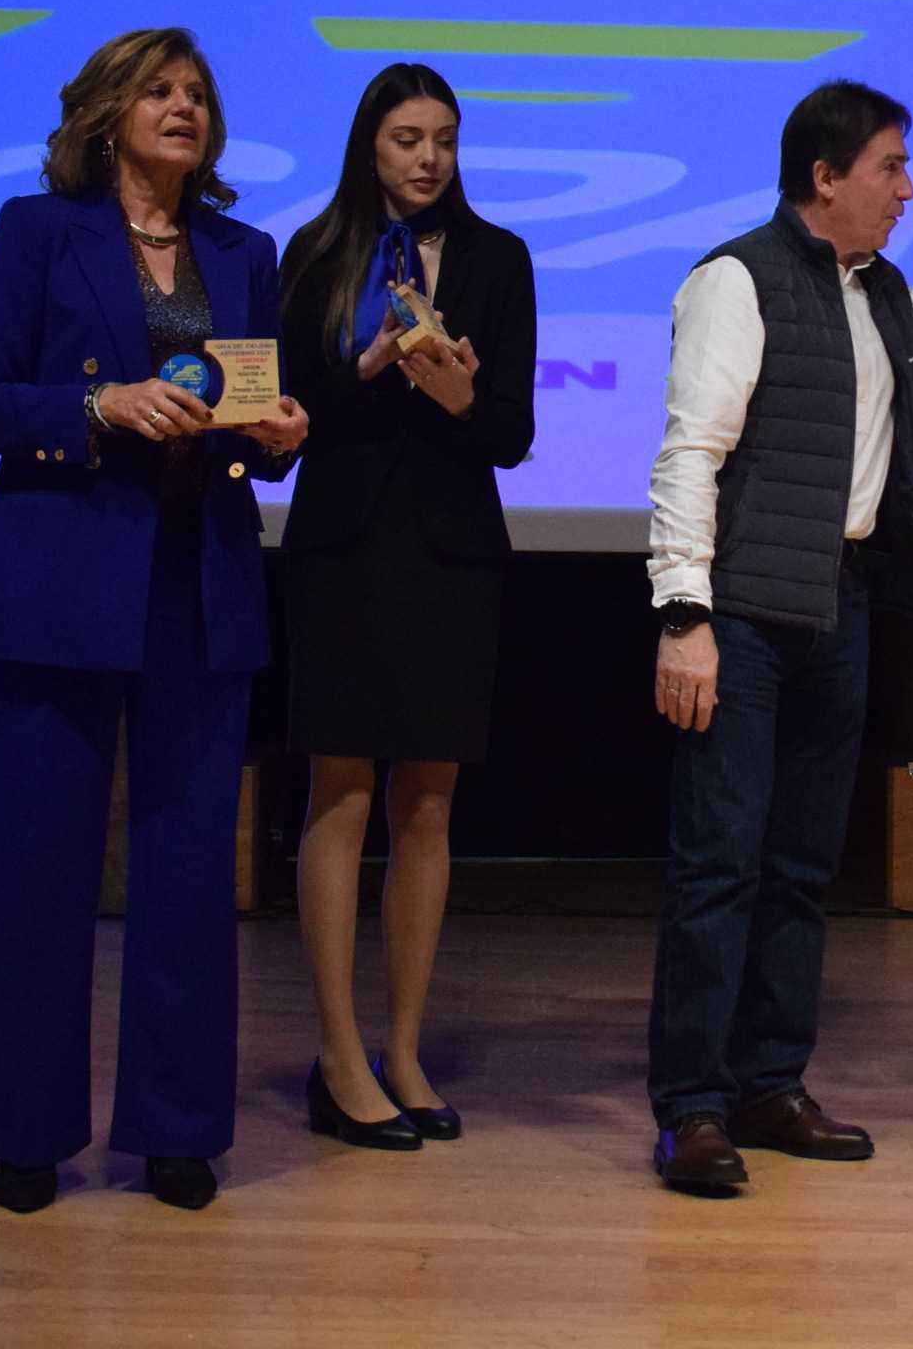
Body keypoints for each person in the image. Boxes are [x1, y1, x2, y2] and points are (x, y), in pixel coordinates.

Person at [645, 78, 913, 1194]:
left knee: (801, 867)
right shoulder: (737, 276)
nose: (907, 186)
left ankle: (769, 1080)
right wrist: (683, 612)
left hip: (845, 606)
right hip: (741, 617)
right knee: (718, 865)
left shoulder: (884, 292)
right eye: (889, 165)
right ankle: (690, 1106)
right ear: (824, 178)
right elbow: (691, 451)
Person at [0, 27, 310, 1215]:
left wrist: (275, 433)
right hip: (59, 582)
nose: (183, 107)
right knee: (44, 871)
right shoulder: (38, 231)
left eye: (198, 92)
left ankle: (177, 1127)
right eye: (159, 89)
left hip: (196, 584)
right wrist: (98, 403)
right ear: (108, 114)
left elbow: (249, 410)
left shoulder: (240, 249)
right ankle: (28, 1132)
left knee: (191, 874)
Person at [278, 64, 537, 1149]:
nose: (426, 157)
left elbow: (511, 433)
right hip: (342, 546)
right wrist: (371, 368)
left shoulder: (496, 256)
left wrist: (459, 389)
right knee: (338, 791)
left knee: (425, 802)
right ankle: (338, 1056)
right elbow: (286, 416)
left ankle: (405, 1046)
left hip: (448, 552)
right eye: (403, 138)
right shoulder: (315, 252)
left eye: (441, 137)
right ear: (367, 147)